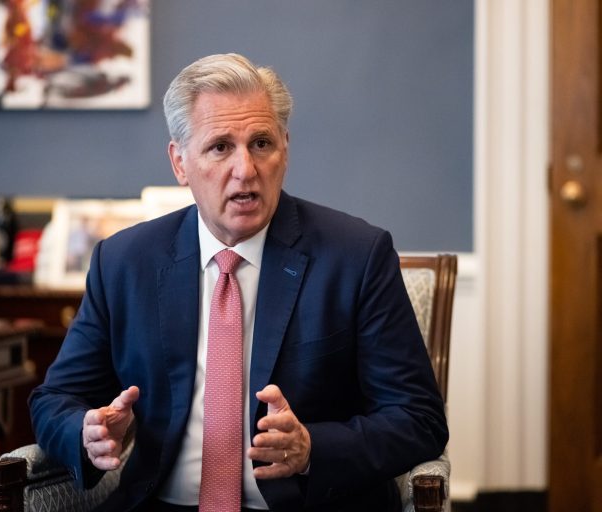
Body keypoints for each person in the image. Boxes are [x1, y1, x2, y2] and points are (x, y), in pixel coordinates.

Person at [29, 53, 448, 512]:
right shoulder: (125, 261)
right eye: (220, 147)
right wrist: (86, 432)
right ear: (180, 162)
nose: (245, 170)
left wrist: (312, 448)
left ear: (285, 149)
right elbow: (55, 398)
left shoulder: (356, 257)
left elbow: (419, 420)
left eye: (261, 143)